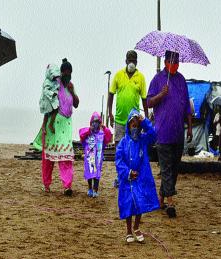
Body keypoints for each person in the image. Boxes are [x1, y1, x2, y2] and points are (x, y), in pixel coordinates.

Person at [147, 50, 193, 218]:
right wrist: (161, 94)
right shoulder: (157, 79)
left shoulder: (181, 80)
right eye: (171, 60)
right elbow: (149, 102)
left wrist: (189, 127)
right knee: (165, 167)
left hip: (178, 132)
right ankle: (171, 202)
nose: (174, 63)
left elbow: (187, 105)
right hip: (162, 132)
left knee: (174, 168)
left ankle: (161, 198)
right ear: (166, 61)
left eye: (177, 61)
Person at [33, 58, 79, 196]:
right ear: (61, 73)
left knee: (66, 156)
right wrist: (45, 124)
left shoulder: (70, 86)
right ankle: (46, 184)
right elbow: (48, 103)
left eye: (69, 73)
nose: (67, 75)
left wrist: (72, 92)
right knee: (48, 157)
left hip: (66, 124)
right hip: (53, 124)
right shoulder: (55, 84)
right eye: (65, 72)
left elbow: (76, 104)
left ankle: (67, 186)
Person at [115, 109, 159, 243]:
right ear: (128, 126)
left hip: (140, 176)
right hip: (127, 179)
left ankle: (136, 227)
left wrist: (144, 121)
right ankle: (128, 230)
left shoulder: (143, 140)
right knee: (128, 203)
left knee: (139, 202)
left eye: (137, 125)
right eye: (132, 125)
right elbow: (119, 160)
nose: (135, 128)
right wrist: (127, 172)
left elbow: (154, 134)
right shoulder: (123, 142)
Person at [108, 50, 149, 144]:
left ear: (137, 62)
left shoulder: (141, 77)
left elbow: (144, 99)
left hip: (134, 120)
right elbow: (111, 94)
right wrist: (110, 113)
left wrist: (146, 118)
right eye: (130, 60)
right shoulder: (118, 75)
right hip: (119, 119)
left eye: (134, 61)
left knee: (133, 145)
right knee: (119, 145)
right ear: (126, 61)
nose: (132, 63)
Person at [79, 112, 112, 197]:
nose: (95, 124)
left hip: (98, 157)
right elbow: (81, 135)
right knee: (89, 173)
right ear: (90, 123)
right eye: (93, 122)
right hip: (89, 157)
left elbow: (108, 136)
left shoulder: (102, 133)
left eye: (97, 122)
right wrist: (89, 130)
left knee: (97, 174)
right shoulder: (87, 132)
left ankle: (95, 190)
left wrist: (104, 128)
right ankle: (90, 188)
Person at [39, 64, 60, 133]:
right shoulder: (47, 82)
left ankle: (51, 123)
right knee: (47, 113)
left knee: (56, 110)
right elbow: (45, 90)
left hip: (53, 99)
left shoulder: (55, 81)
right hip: (47, 100)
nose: (55, 78)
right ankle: (44, 126)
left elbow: (57, 87)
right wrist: (51, 93)